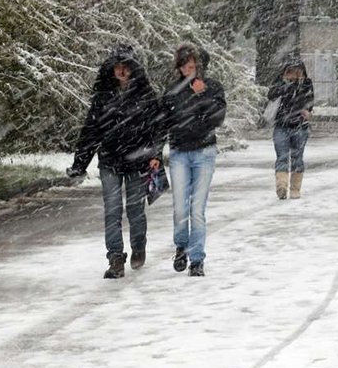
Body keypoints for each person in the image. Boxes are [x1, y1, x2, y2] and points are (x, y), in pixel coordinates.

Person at [67, 44, 161, 279]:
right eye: (117, 67)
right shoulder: (102, 98)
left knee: (135, 210)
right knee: (112, 210)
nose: (121, 71)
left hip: (138, 162)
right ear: (110, 70)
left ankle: (138, 246)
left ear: (132, 69)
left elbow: (156, 129)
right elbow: (91, 131)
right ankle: (115, 257)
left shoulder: (145, 96)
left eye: (125, 67)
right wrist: (80, 163)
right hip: (110, 161)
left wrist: (155, 156)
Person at [158, 43, 226, 276]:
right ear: (179, 67)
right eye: (185, 66)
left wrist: (203, 95)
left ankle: (197, 259)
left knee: (197, 208)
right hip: (179, 152)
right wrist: (156, 153)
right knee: (180, 207)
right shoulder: (172, 91)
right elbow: (162, 123)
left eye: (194, 66)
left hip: (204, 152)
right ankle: (181, 246)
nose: (189, 70)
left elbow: (218, 117)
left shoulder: (213, 87)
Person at [267, 58, 314, 200]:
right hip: (281, 126)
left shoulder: (306, 83)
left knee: (297, 158)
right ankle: (281, 186)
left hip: (300, 126)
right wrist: (286, 84)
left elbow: (309, 100)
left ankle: (295, 188)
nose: (294, 74)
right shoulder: (280, 83)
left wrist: (306, 110)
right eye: (291, 71)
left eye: (297, 71)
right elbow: (271, 95)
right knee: (281, 157)